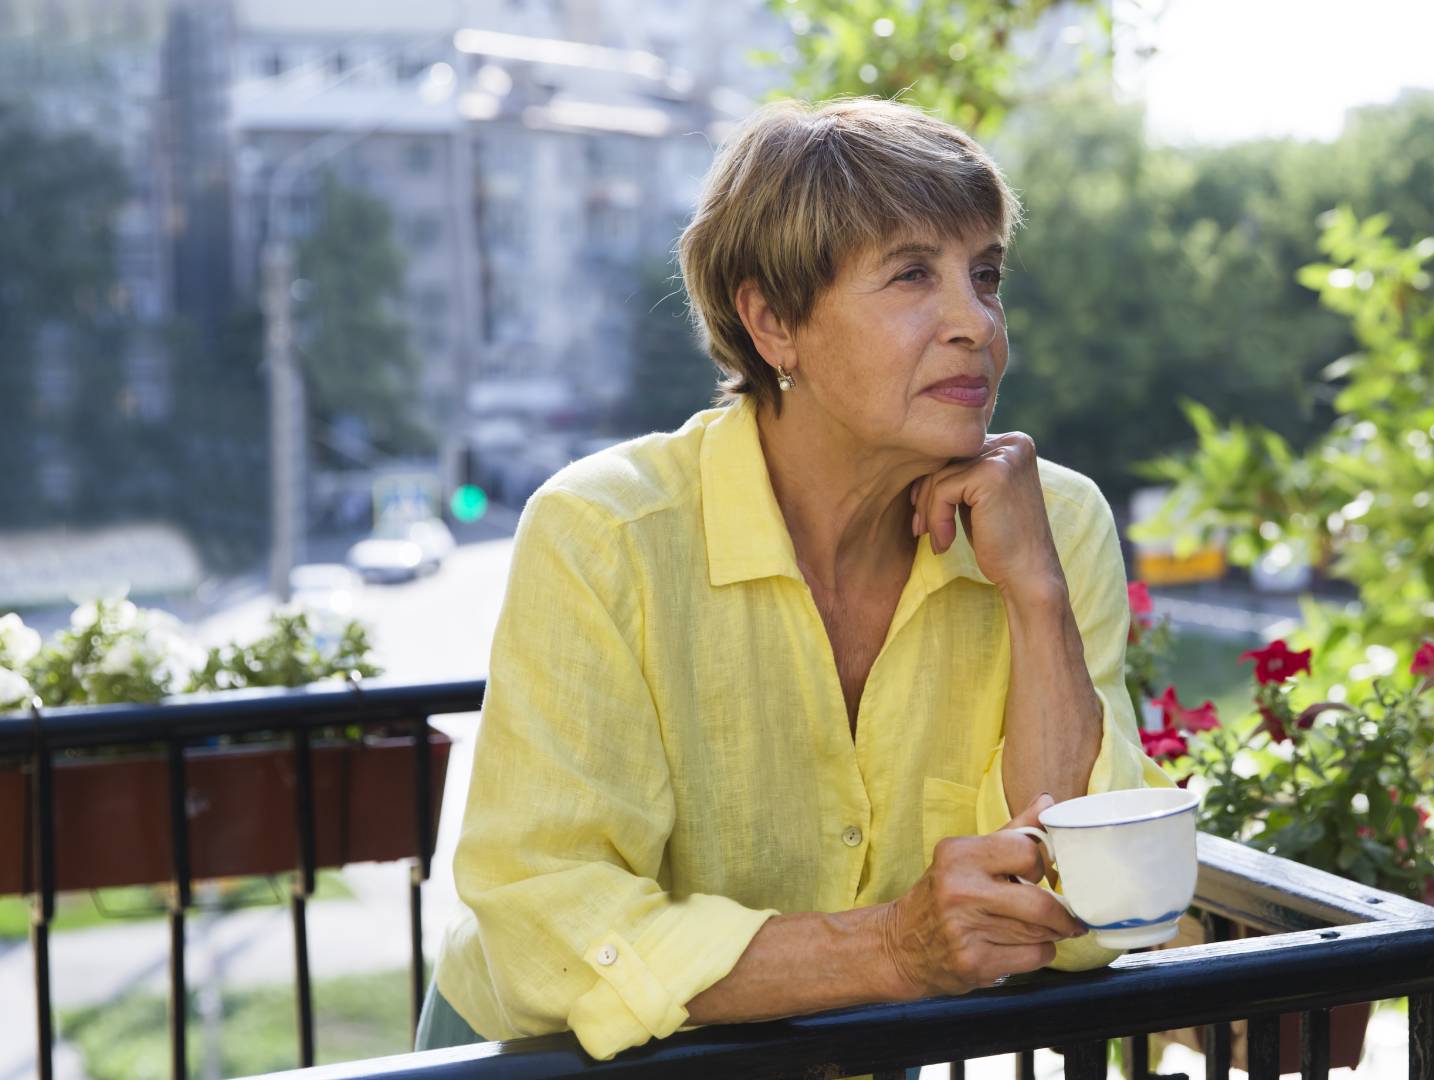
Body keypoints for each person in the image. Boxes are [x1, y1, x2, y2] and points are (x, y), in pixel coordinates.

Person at [417, 96, 1170, 1060]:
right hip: (545, 1065)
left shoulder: (1055, 524)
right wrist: (892, 951)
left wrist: (1036, 594)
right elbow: (554, 924)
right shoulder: (604, 532)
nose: (975, 323)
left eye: (986, 276)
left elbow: (1081, 900)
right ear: (772, 322)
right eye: (910, 276)